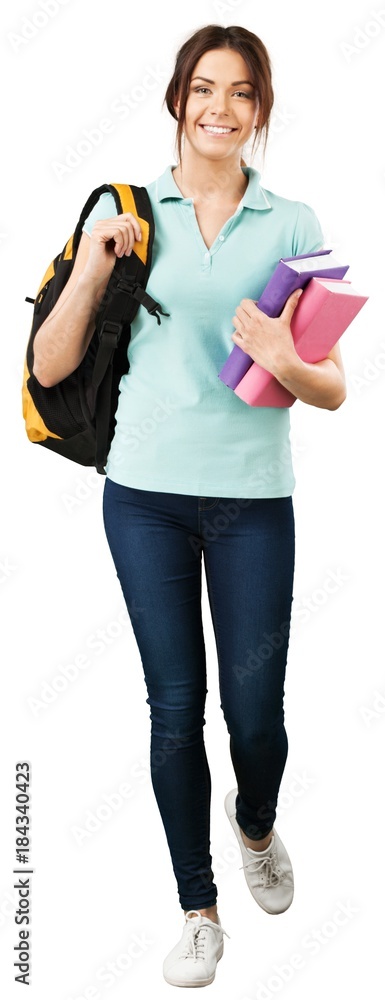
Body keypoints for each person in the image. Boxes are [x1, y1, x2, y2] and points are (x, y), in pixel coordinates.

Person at [32, 23, 346, 989]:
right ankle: (198, 908)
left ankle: (254, 822)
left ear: (259, 110)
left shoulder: (291, 223)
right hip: (145, 500)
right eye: (203, 89)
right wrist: (92, 264)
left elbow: (329, 383)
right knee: (176, 710)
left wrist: (286, 358)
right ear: (176, 99)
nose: (219, 109)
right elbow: (47, 371)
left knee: (254, 712)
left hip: (253, 500)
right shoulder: (126, 212)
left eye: (241, 93)